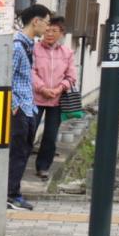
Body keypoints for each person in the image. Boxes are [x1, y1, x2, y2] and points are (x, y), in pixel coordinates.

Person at [8, 3, 51, 210]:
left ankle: (14, 193)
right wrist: (14, 106)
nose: (48, 28)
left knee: (23, 152)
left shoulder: (28, 45)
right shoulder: (17, 46)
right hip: (19, 109)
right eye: (47, 23)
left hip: (28, 107)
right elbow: (5, 78)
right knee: (17, 153)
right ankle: (10, 195)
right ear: (36, 21)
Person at [32, 15, 76, 182]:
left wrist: (59, 88)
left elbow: (71, 76)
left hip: (56, 100)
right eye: (47, 30)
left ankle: (43, 167)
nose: (49, 33)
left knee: (50, 135)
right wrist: (42, 88)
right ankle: (18, 165)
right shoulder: (34, 49)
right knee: (29, 133)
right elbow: (31, 71)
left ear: (61, 33)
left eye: (54, 30)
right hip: (36, 98)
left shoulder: (67, 52)